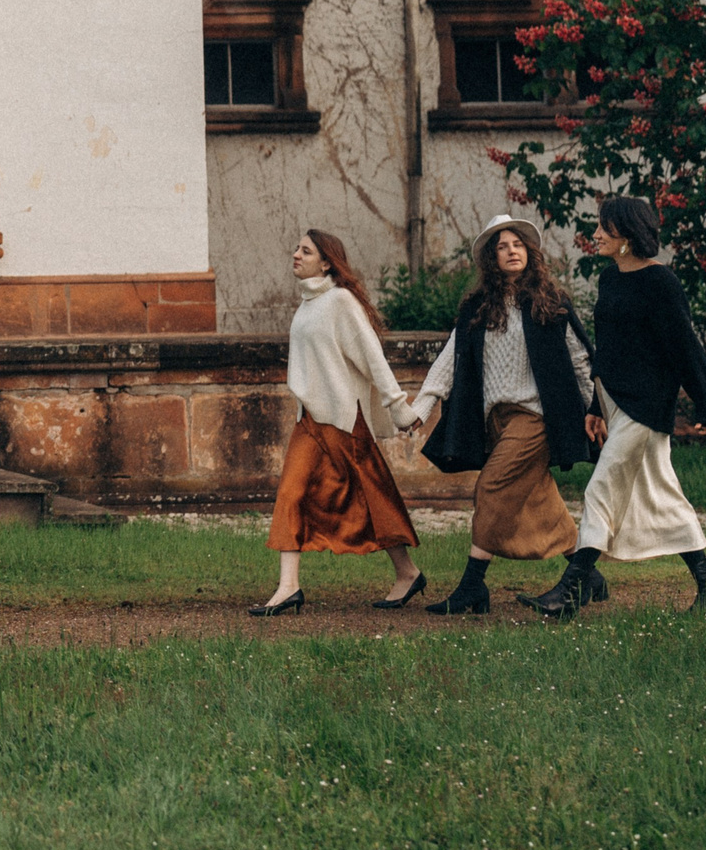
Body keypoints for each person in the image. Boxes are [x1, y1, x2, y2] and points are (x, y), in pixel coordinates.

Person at [521, 196, 706, 616]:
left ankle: (572, 591)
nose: (595, 235)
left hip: (647, 405)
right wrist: (596, 407)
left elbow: (683, 346)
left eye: (604, 228)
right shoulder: (610, 278)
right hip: (614, 400)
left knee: (602, 486)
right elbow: (608, 347)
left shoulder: (661, 282)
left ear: (627, 234)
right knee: (660, 493)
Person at [409, 213, 599, 615]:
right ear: (491, 259)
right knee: (537, 501)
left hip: (535, 418)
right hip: (495, 421)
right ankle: (587, 575)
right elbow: (451, 360)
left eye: (517, 245)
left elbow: (580, 360)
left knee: (491, 488)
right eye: (502, 247)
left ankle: (472, 587)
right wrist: (421, 407)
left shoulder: (549, 301)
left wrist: (594, 412)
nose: (512, 252)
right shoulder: (478, 307)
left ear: (529, 252)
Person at [251, 229, 426, 615]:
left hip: (344, 418)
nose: (295, 254)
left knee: (372, 494)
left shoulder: (340, 301)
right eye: (297, 248)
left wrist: (398, 405)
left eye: (306, 250)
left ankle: (407, 572)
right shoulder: (307, 305)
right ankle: (288, 587)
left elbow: (371, 356)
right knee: (291, 492)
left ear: (326, 262)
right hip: (311, 420)